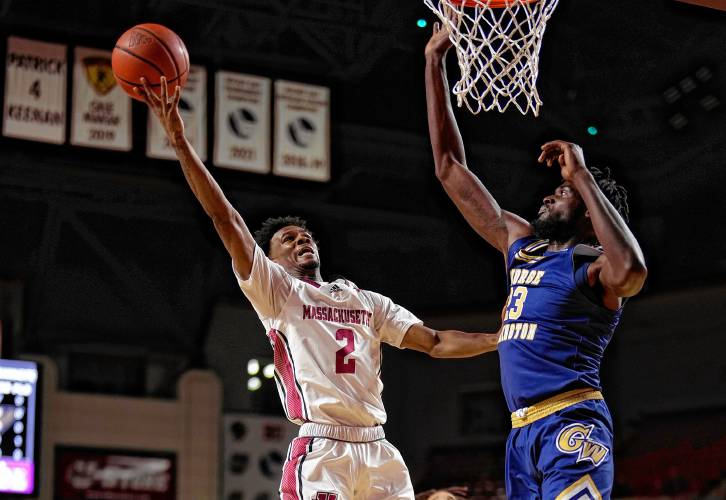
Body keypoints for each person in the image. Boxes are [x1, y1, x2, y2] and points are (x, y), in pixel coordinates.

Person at [137, 77, 500, 499]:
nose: (300, 240)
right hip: (322, 447)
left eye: (304, 235)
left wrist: (498, 339)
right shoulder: (279, 292)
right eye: (287, 239)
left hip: (378, 447)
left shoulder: (366, 301)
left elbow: (436, 342)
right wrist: (180, 141)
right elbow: (225, 219)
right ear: (269, 261)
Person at [424, 23, 648, 500]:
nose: (549, 194)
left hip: (572, 422)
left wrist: (582, 176)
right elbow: (449, 169)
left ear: (590, 216)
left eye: (562, 194)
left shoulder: (593, 266)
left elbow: (631, 273)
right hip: (521, 434)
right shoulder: (522, 246)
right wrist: (433, 65)